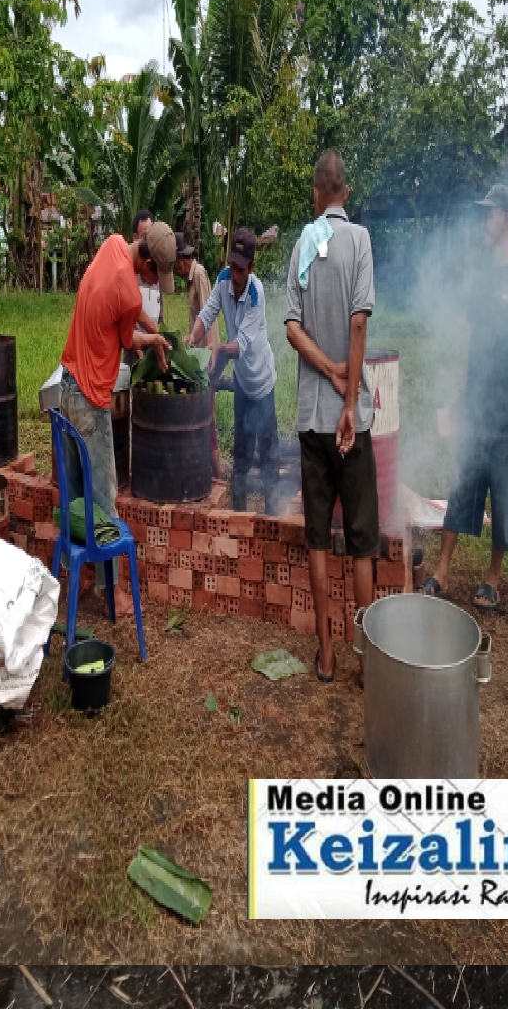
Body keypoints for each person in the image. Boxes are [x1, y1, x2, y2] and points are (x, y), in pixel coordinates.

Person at [422, 184, 508, 610]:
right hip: (476, 398)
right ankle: (442, 570)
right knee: (462, 481)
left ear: (506, 218)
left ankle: (492, 577)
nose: (483, 221)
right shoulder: (482, 273)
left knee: (503, 486)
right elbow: (473, 334)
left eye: (489, 214)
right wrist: (459, 389)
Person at [285, 151, 377, 682]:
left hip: (310, 422)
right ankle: (365, 660)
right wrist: (348, 395)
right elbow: (359, 324)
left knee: (318, 537)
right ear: (345, 191)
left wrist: (325, 370)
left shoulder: (302, 245)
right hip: (351, 424)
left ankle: (325, 651)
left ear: (318, 193)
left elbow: (293, 330)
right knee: (361, 542)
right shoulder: (361, 241)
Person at [56, 221, 176, 521]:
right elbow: (129, 342)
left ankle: (71, 567)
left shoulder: (113, 244)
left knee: (73, 501)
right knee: (102, 505)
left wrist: (154, 329)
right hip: (91, 402)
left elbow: (127, 310)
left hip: (67, 387)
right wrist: (153, 340)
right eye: (153, 276)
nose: (151, 283)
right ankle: (105, 569)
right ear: (147, 263)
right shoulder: (131, 292)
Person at [190, 227, 280, 514]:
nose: (235, 274)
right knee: (241, 455)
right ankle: (239, 518)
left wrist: (217, 349)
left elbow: (240, 344)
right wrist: (193, 339)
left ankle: (272, 518)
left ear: (251, 267)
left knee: (268, 456)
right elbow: (207, 314)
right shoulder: (222, 280)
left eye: (241, 268)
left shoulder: (256, 293)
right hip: (242, 382)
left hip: (263, 384)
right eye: (232, 265)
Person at [132, 211, 161, 334]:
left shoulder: (154, 266)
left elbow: (160, 314)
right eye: (145, 235)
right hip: (134, 347)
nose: (150, 240)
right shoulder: (128, 275)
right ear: (135, 237)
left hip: (151, 344)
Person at [175, 232, 212, 327]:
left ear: (180, 260)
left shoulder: (198, 274)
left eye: (174, 264)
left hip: (205, 340)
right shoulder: (190, 277)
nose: (175, 269)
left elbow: (207, 315)